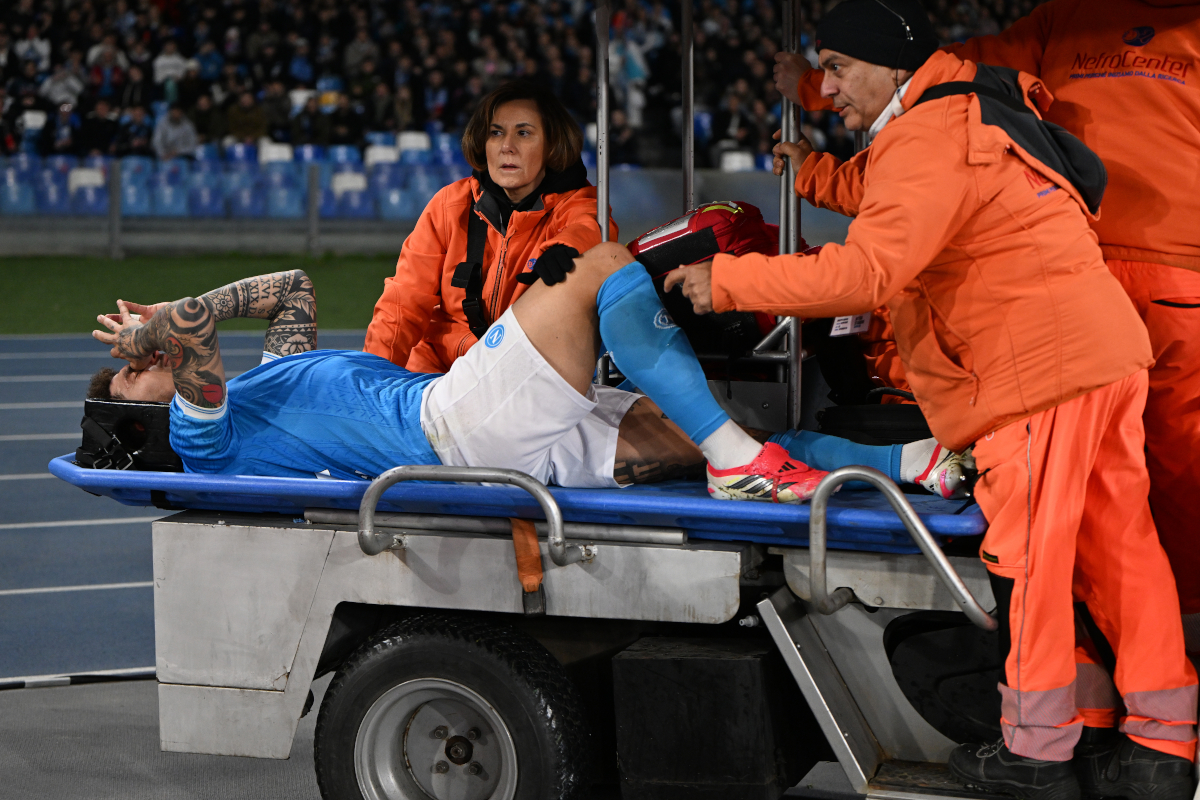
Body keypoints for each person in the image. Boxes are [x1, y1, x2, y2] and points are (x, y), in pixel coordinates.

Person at [668, 2, 1197, 798]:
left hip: (1041, 369)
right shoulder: (961, 110)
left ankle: (1039, 749)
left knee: (1030, 562)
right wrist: (810, 171)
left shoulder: (927, 132)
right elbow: (901, 199)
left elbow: (866, 272)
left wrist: (731, 281)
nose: (828, 85)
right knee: (1117, 550)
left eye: (839, 68)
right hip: (1096, 353)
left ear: (889, 66)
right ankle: (1161, 747)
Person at [89, 259, 828, 504]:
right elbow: (191, 327)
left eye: (133, 354)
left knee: (741, 438)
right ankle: (736, 462)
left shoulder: (270, 381)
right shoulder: (198, 441)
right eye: (131, 373)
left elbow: (295, 289)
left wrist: (161, 333)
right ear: (141, 425)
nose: (141, 359)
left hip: (479, 434)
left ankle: (907, 461)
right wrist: (155, 333)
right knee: (596, 264)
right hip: (452, 424)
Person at [363, 80, 614, 374]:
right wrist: (372, 375)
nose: (507, 147)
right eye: (496, 133)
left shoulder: (575, 201)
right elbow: (403, 303)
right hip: (438, 374)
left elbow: (589, 225)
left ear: (552, 144)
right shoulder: (449, 206)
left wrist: (565, 248)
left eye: (523, 133)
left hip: (520, 379)